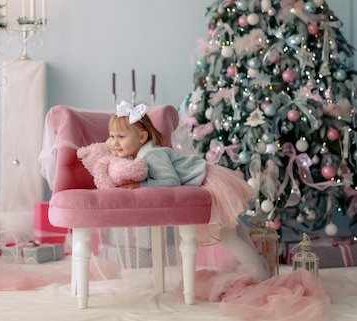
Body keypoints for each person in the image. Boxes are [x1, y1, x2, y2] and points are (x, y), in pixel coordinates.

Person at [109, 100, 269, 280]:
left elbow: (170, 180)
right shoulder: (144, 153)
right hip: (209, 177)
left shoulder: (151, 154)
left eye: (121, 137)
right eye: (112, 137)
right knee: (235, 230)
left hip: (209, 182)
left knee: (229, 237)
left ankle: (261, 277)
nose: (115, 143)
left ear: (142, 137)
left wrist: (142, 186)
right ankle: (261, 270)